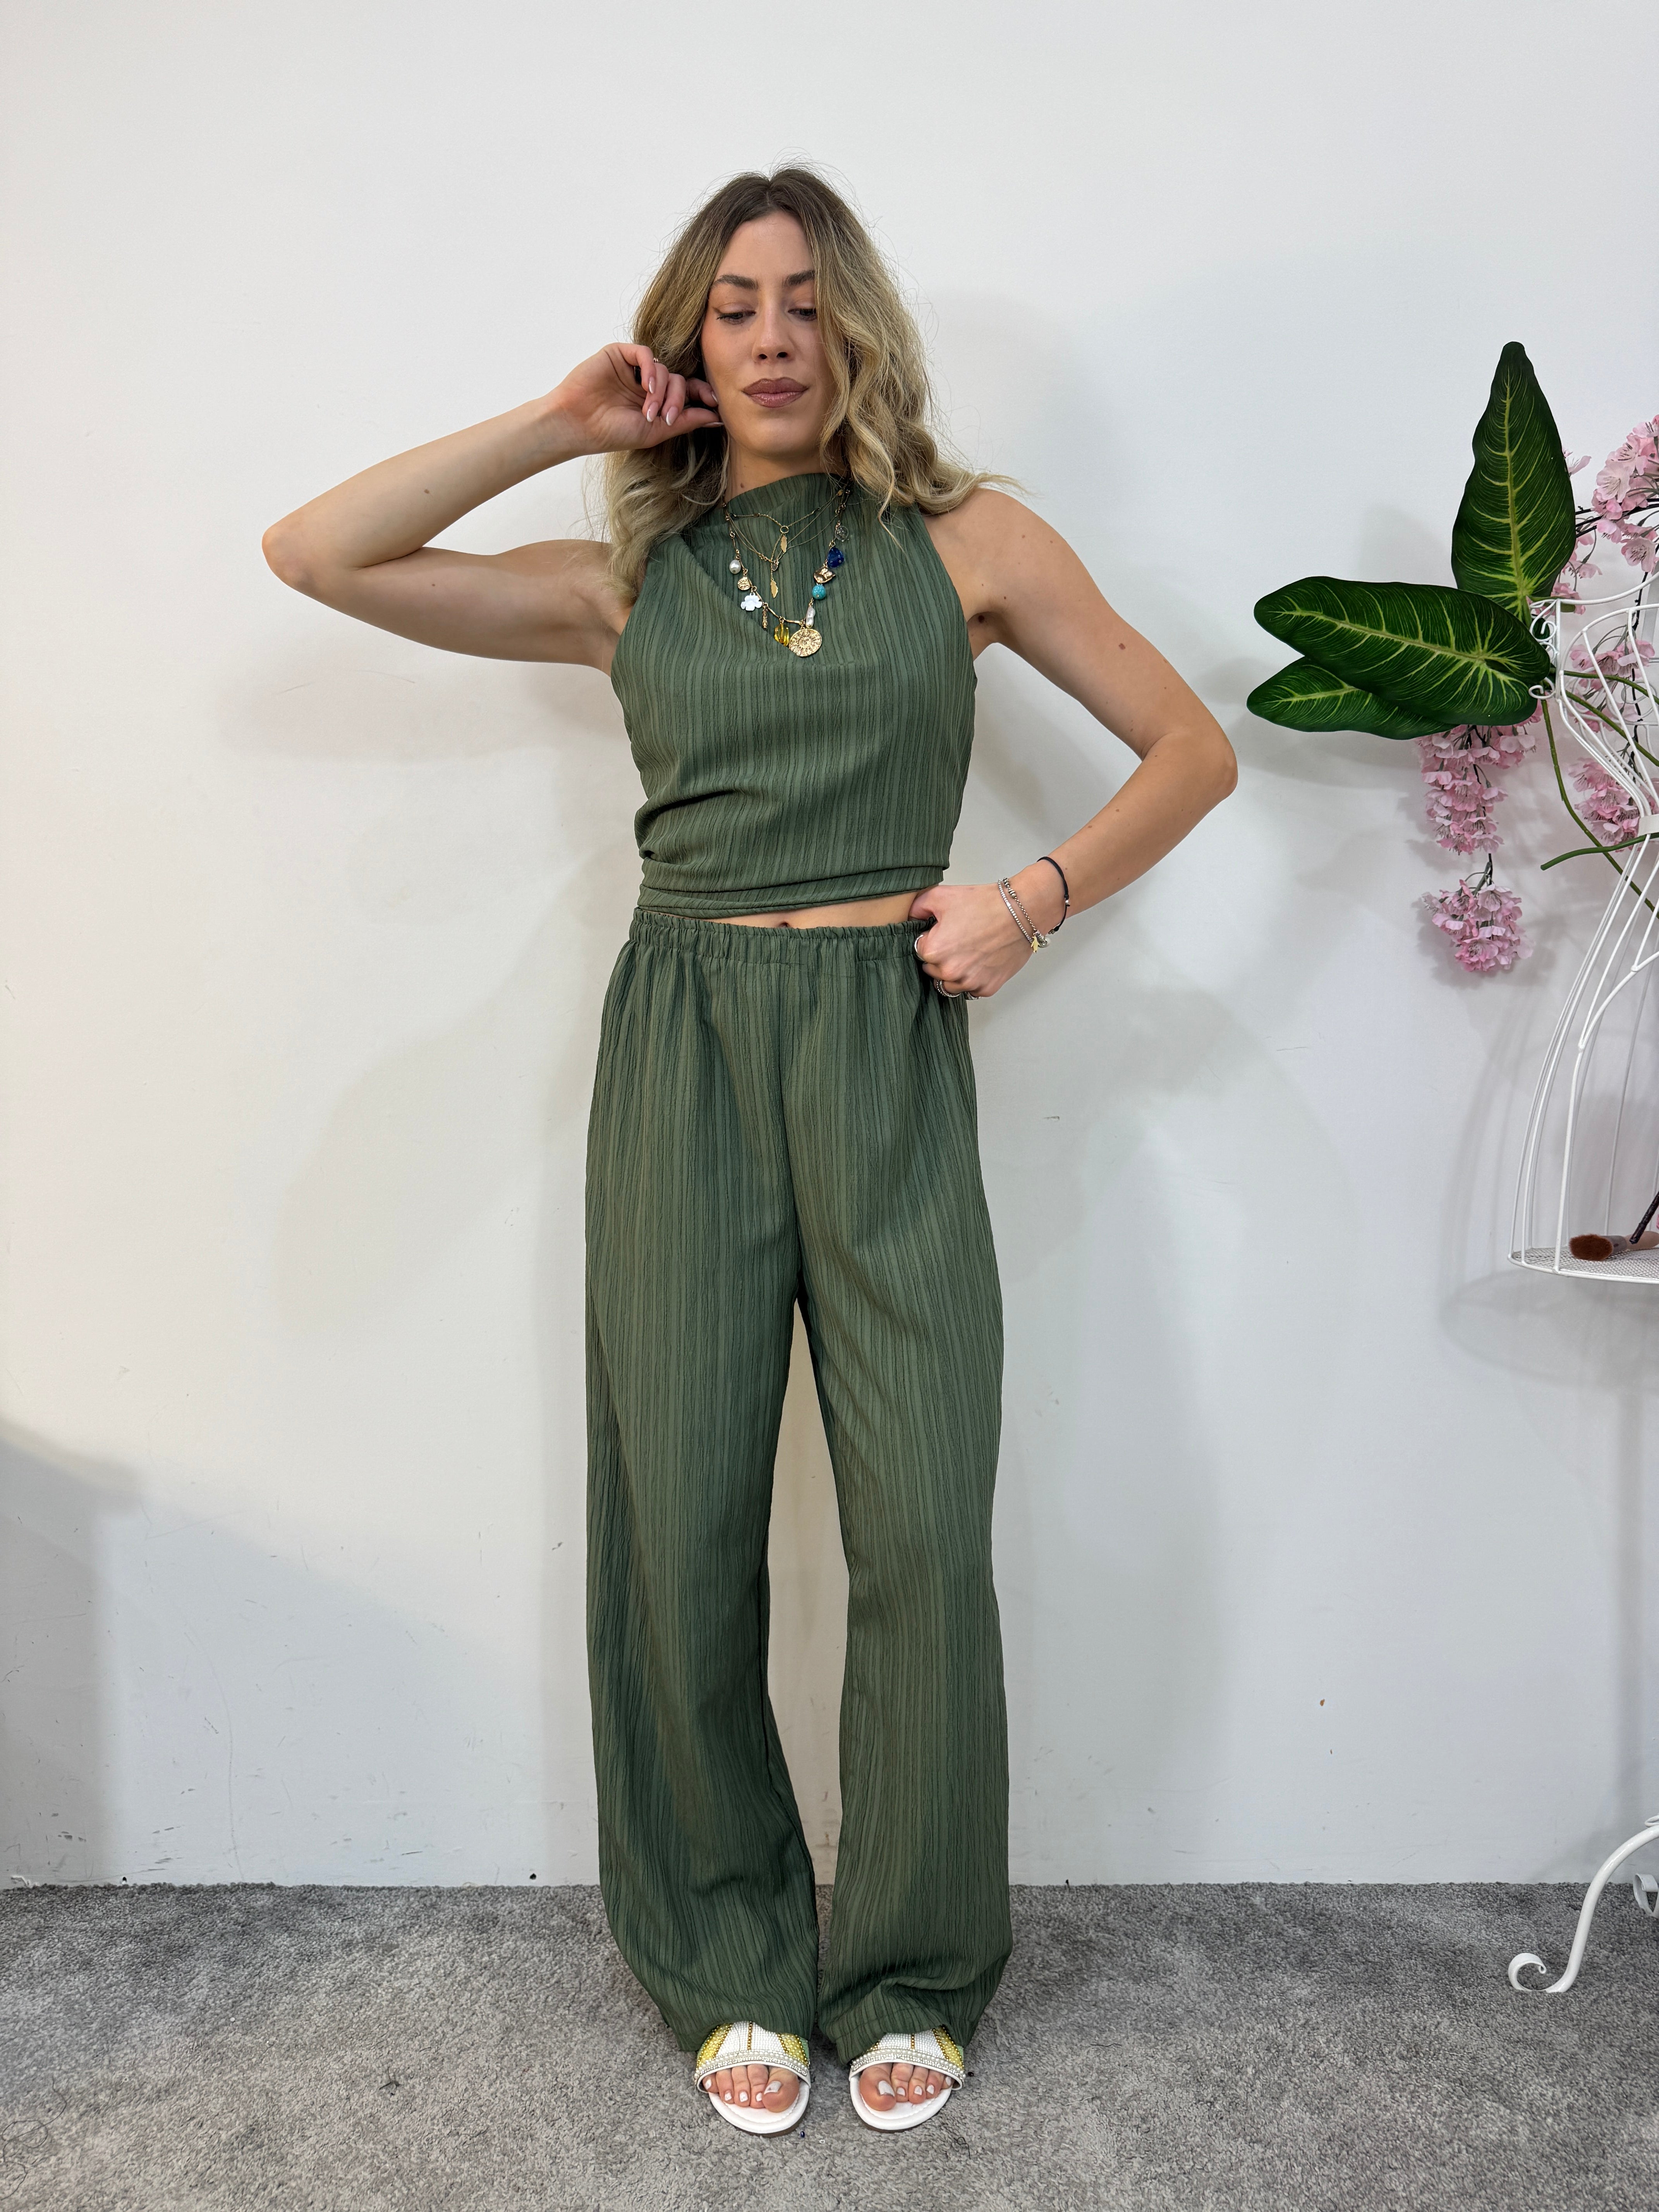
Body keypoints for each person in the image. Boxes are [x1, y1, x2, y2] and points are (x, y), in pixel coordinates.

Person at [262, 164, 1236, 2136]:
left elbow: (1191, 748)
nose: (775, 337)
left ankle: (916, 1963)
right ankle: (727, 1957)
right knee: (681, 1520)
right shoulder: (627, 578)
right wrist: (562, 425)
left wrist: (1031, 899)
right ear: (686, 341)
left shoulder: (973, 542)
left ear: (857, 321)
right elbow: (317, 553)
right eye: (733, 306)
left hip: (888, 1035)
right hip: (686, 1043)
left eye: (804, 298)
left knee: (921, 1524)